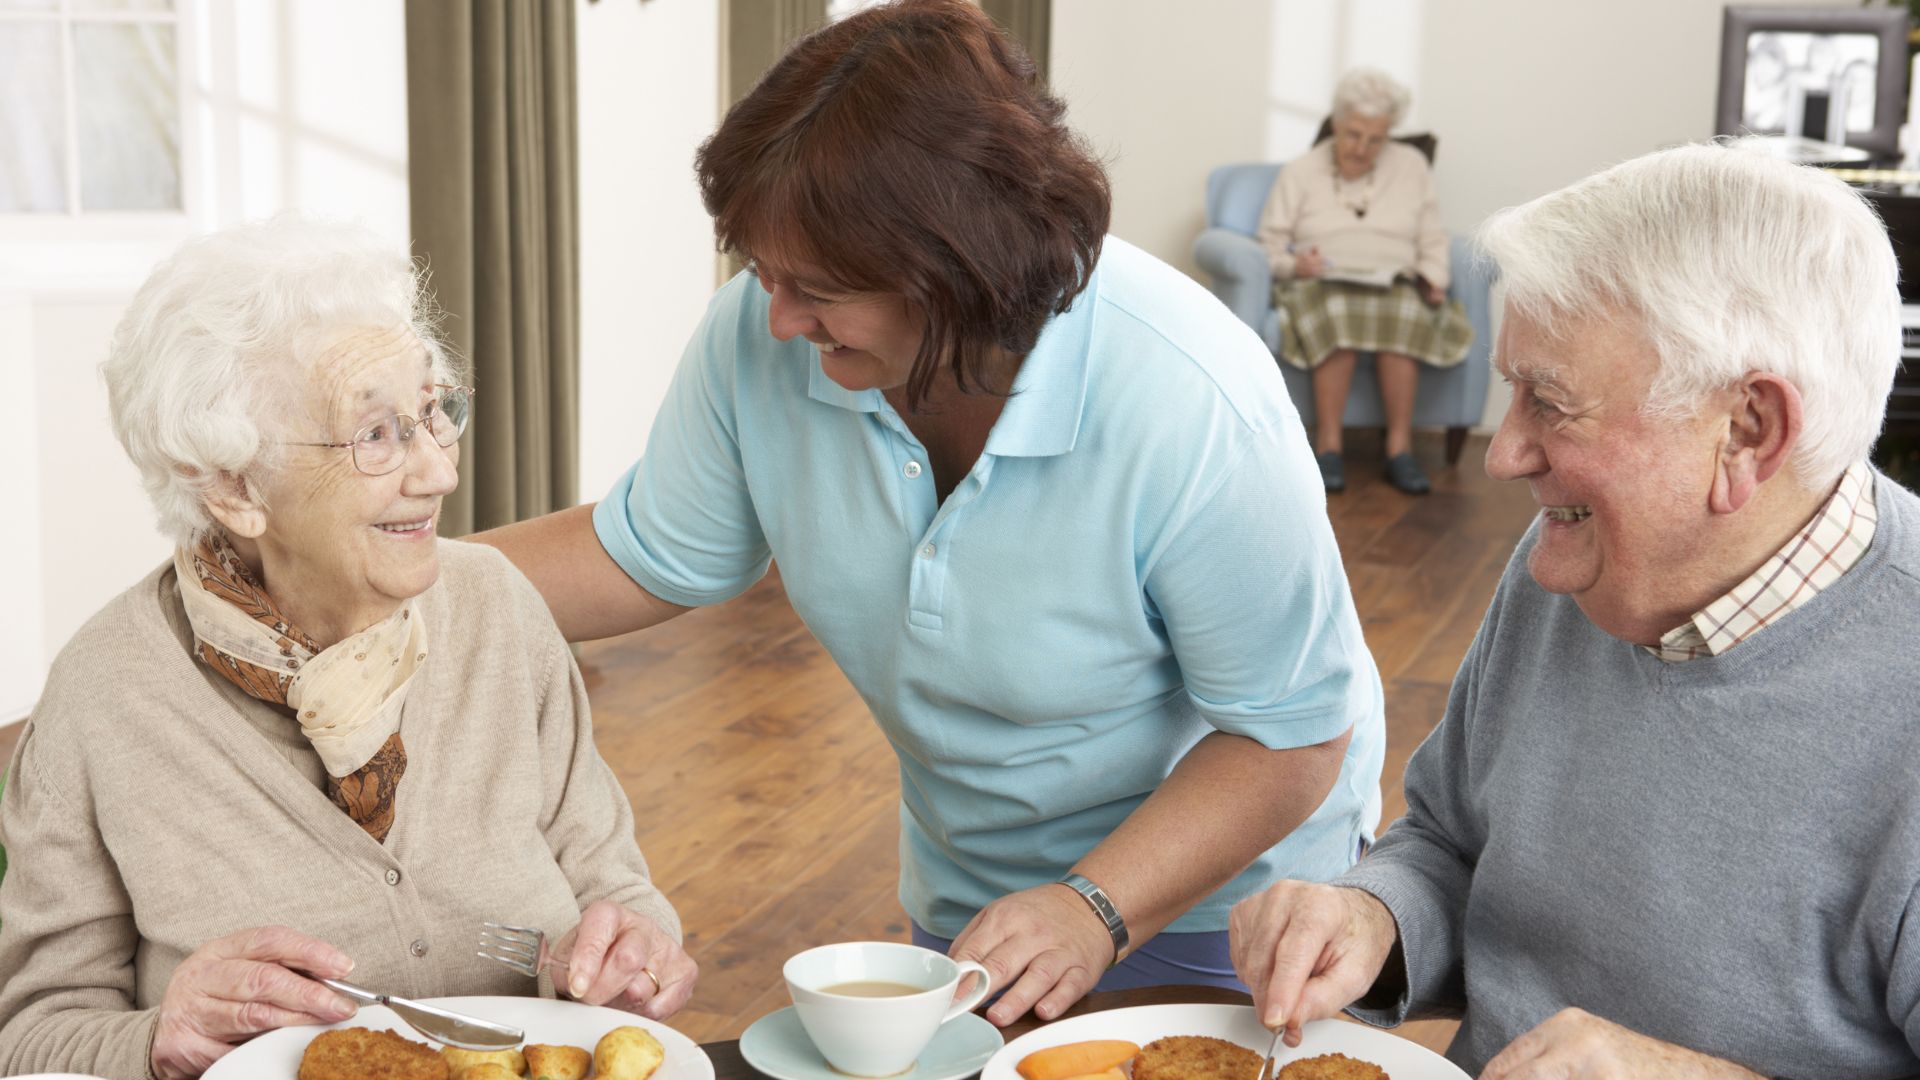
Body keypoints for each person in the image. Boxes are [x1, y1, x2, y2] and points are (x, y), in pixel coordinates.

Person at [479, 0, 1383, 1029]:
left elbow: (1291, 738)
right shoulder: (769, 337)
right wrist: (383, 579)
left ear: (960, 272)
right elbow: (642, 553)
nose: (777, 317)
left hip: (1228, 900)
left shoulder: (1192, 399)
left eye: (816, 287)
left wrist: (1096, 906)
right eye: (764, 275)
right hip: (978, 893)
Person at [1229, 143, 1920, 1077]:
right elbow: (1447, 841)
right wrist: (1374, 915)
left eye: (1548, 404)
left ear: (1747, 431)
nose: (1502, 454)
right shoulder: (1579, 556)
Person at [0, 217, 695, 1080]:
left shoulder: (497, 609)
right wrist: (156, 1039)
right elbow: (32, 1033)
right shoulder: (102, 697)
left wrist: (634, 947)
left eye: (434, 412)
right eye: (375, 434)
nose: (438, 470)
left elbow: (613, 884)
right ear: (230, 483)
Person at [1257, 68, 1473, 496]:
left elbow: (1432, 233)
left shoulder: (1410, 166)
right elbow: (1269, 244)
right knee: (1336, 312)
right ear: (1336, 124)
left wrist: (1434, 277)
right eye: (1353, 134)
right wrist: (1294, 266)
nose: (1362, 148)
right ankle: (1329, 447)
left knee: (1406, 312)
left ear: (1389, 133)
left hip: (1393, 280)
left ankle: (1399, 450)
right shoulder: (1300, 171)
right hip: (1321, 282)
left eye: (1376, 139)